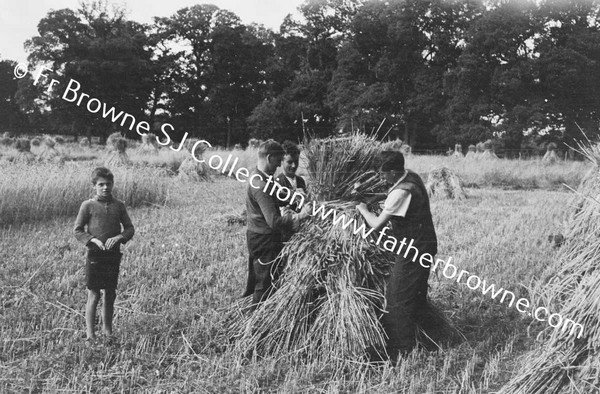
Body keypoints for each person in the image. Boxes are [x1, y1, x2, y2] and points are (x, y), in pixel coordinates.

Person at [356, 151, 438, 360]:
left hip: (413, 249)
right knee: (416, 294)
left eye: (383, 174)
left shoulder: (400, 193)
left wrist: (363, 208)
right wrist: (377, 197)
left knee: (397, 297)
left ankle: (401, 350)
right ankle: (431, 337)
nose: (381, 178)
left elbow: (375, 223)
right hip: (425, 243)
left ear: (393, 171)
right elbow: (392, 195)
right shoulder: (411, 177)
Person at [243, 140, 311, 310]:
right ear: (269, 157)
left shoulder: (261, 177)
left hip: (259, 236)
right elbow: (273, 221)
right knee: (263, 285)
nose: (280, 164)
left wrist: (292, 197)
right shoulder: (260, 184)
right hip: (264, 239)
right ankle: (253, 326)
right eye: (278, 160)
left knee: (265, 279)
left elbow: (275, 197)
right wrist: (301, 216)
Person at [74, 167, 135, 341]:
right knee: (94, 293)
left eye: (108, 184)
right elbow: (77, 231)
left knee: (110, 292)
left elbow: (130, 229)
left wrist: (119, 237)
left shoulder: (119, 205)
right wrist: (92, 240)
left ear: (113, 184)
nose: (105, 188)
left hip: (113, 254)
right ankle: (90, 335)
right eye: (101, 184)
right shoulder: (88, 206)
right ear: (94, 186)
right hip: (95, 255)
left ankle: (108, 332)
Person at [275, 140, 308, 212]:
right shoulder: (277, 183)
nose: (294, 166)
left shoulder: (301, 180)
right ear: (282, 161)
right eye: (289, 162)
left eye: (296, 161)